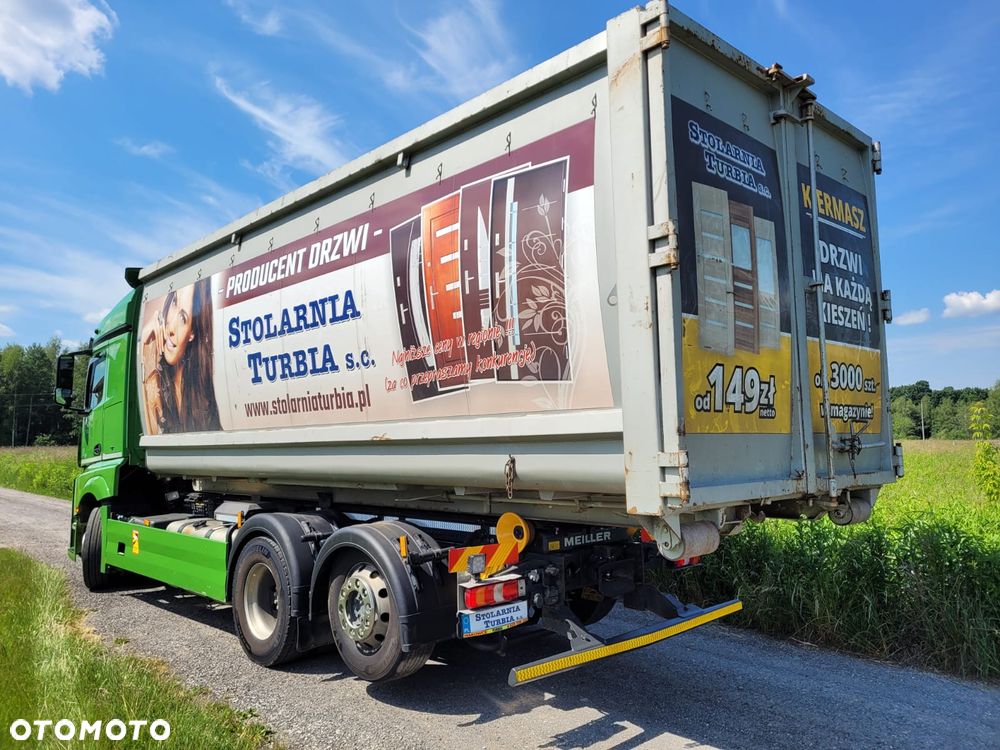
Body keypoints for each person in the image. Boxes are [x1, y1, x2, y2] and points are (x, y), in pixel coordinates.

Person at [141, 278, 222, 434]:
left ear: (192, 333)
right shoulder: (153, 379)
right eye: (174, 303)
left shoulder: (202, 395)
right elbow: (148, 438)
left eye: (183, 318)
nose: (171, 327)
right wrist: (144, 341)